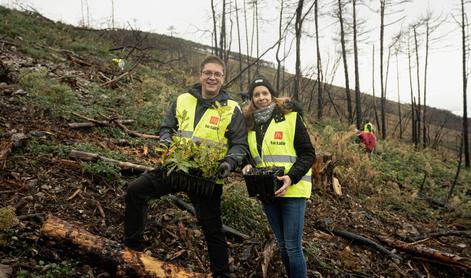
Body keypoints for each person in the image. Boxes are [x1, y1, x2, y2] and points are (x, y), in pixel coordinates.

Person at [123, 55, 248, 277]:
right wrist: (165, 144)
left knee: (212, 228)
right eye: (208, 73)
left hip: (207, 176)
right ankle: (133, 252)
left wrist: (229, 162)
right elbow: (167, 128)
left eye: (217, 74)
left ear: (223, 78)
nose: (212, 77)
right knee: (135, 191)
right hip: (176, 168)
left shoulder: (232, 108)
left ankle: (222, 274)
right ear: (200, 75)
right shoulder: (183, 100)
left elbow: (239, 144)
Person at [241, 75, 315, 278]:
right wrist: (245, 164)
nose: (261, 97)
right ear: (251, 99)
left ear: (272, 96)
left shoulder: (291, 118)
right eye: (256, 94)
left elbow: (308, 154)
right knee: (282, 246)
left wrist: (291, 177)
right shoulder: (250, 124)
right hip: (267, 191)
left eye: (265, 93)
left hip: (293, 189)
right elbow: (247, 154)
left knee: (292, 247)